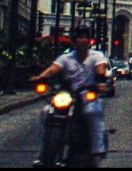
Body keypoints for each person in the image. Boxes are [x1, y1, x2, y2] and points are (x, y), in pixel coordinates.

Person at [32, 24, 108, 164]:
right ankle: (42, 154)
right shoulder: (65, 58)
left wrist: (100, 80)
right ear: (74, 41)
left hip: (87, 94)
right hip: (68, 94)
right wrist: (40, 78)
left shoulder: (97, 56)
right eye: (79, 37)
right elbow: (53, 69)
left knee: (93, 112)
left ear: (89, 40)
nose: (82, 40)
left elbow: (100, 69)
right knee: (46, 112)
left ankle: (97, 151)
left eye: (85, 37)